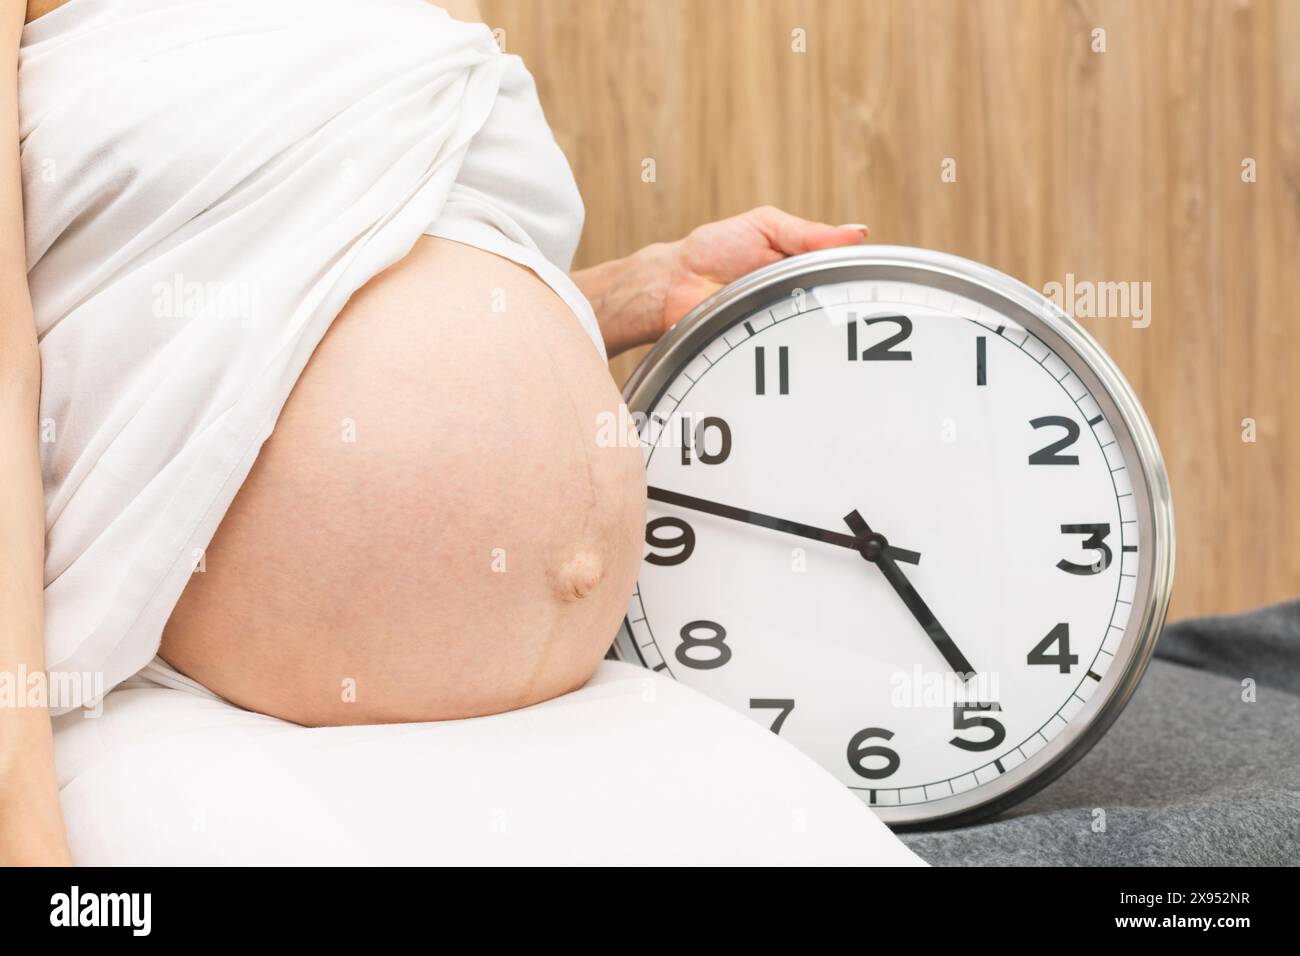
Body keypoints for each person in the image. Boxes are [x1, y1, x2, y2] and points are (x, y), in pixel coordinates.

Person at [1, 0, 868, 864]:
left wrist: (634, 289)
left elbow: (345, 273)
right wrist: (26, 836)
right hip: (212, 713)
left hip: (578, 707)